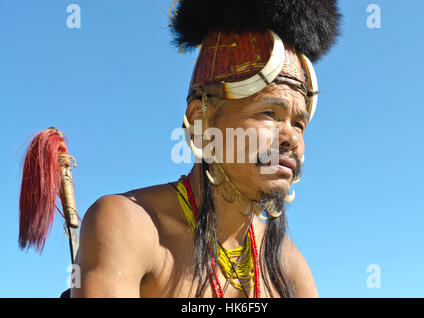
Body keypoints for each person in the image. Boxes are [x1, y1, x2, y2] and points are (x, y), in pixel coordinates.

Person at [20, 0, 341, 298]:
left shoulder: (290, 268)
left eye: (299, 124)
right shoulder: (128, 226)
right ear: (201, 122)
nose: (292, 139)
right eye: (270, 113)